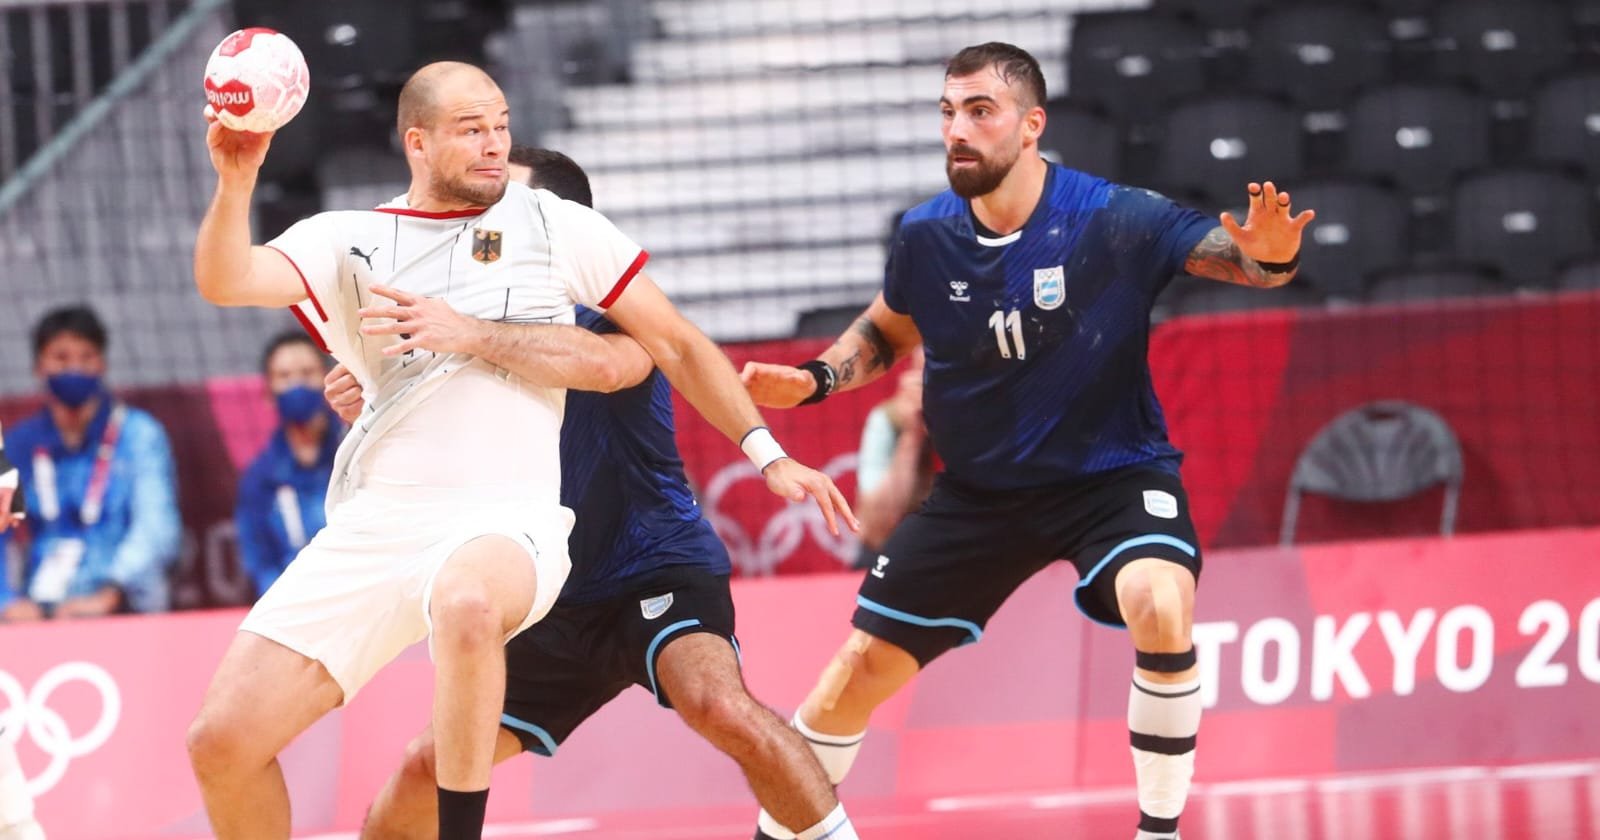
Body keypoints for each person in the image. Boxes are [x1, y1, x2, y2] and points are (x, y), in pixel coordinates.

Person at [184, 60, 853, 840]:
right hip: (384, 523)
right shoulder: (351, 239)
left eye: (502, 125)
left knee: (513, 621)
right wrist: (237, 181)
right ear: (418, 142)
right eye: (474, 130)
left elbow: (649, 351)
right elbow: (228, 280)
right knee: (222, 742)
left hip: (546, 532)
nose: (496, 144)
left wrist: (768, 452)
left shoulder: (554, 231)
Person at [740, 42, 1314, 840]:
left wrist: (1272, 255)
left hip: (1110, 477)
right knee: (850, 676)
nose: (957, 131)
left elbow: (1246, 264)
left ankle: (1160, 832)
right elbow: (886, 329)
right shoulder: (924, 235)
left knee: (1159, 599)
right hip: (979, 496)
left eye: (980, 112)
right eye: (948, 113)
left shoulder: (1113, 216)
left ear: (1031, 125)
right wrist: (815, 381)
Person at [337, 144, 857, 840]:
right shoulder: (452, 329)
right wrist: (375, 405)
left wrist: (769, 457)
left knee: (719, 705)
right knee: (427, 767)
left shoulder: (616, 316)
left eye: (504, 204)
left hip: (653, 563)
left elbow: (609, 369)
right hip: (546, 591)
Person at [0, 305, 182, 621]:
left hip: (126, 605)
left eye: (87, 357)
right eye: (61, 358)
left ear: (102, 365)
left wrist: (110, 593)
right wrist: (6, 599)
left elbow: (158, 528)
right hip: (43, 610)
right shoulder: (19, 444)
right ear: (38, 367)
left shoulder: (138, 435)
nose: (75, 368)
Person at [235, 330, 343, 599]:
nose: (297, 385)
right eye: (284, 377)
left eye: (307, 374)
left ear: (329, 381)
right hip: (293, 608)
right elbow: (260, 563)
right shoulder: (260, 479)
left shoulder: (359, 454)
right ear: (268, 392)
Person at [851, 349, 934, 569]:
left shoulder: (982, 418)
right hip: (901, 555)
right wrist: (912, 434)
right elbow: (874, 532)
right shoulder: (888, 420)